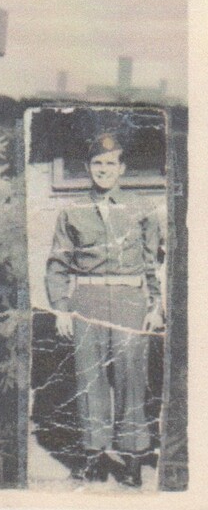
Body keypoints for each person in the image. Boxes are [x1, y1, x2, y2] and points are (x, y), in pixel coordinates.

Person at [45, 132, 164, 487]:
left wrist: (156, 305)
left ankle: (133, 459)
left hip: (130, 301)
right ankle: (94, 457)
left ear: (122, 168)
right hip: (88, 300)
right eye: (97, 163)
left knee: (132, 379)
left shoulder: (142, 208)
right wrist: (61, 309)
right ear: (87, 167)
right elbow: (57, 265)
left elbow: (153, 263)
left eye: (111, 163)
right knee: (89, 379)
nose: (104, 169)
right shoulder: (72, 211)